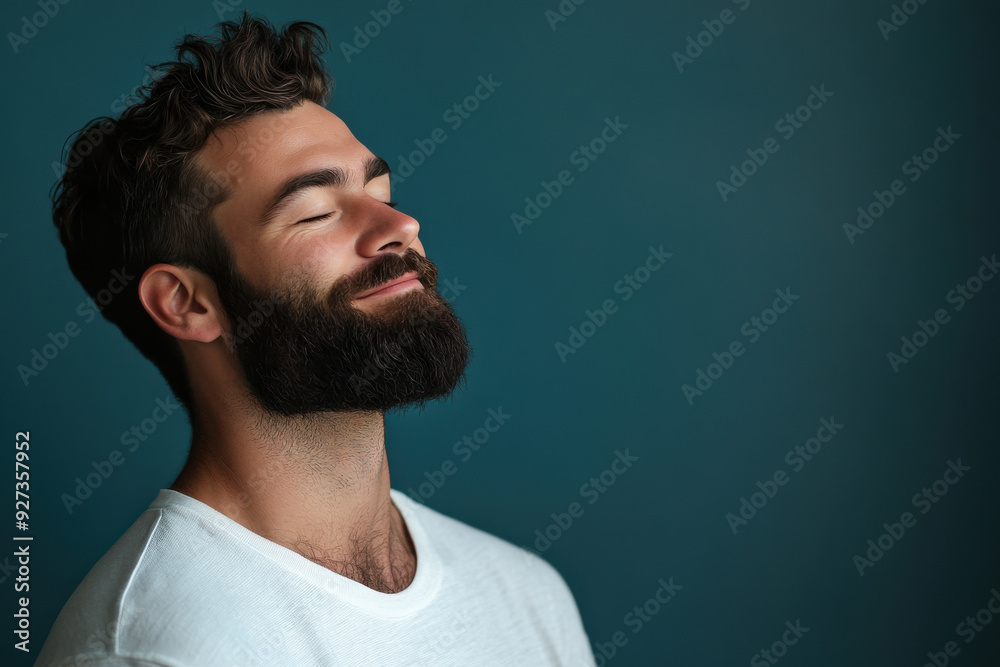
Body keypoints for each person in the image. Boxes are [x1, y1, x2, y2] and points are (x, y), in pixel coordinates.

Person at [36, 11, 595, 666]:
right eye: (317, 213)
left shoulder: (527, 593)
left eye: (382, 193)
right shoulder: (162, 649)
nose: (401, 226)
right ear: (187, 303)